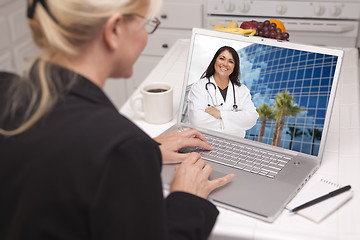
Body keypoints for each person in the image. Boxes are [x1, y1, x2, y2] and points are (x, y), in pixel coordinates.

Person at [0, 0, 234, 239]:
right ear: (113, 30)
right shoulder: (122, 147)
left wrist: (144, 150)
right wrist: (188, 200)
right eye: (145, 25)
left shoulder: (5, 90)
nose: (145, 37)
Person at [188, 46, 259, 138]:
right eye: (222, 59)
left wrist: (221, 114)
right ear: (215, 61)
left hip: (235, 145)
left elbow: (251, 119)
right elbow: (196, 120)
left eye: (230, 61)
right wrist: (235, 124)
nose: (225, 64)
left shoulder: (241, 90)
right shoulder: (199, 86)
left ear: (234, 66)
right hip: (204, 141)